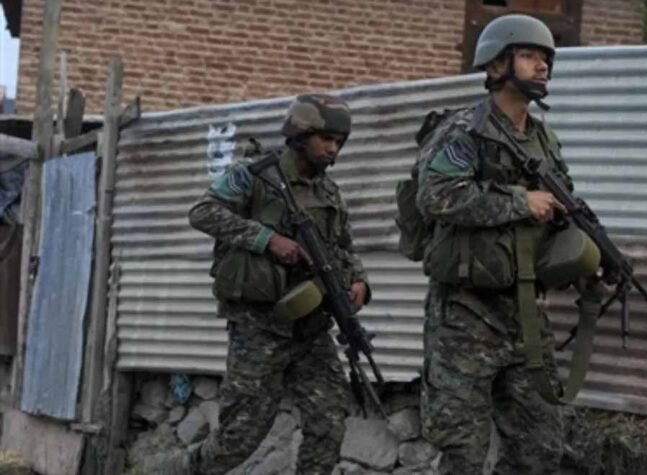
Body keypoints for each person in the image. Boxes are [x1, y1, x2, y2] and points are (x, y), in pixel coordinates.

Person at [416, 14, 603, 474]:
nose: (542, 66)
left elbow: (558, 213)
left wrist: (581, 265)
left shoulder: (544, 139)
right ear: (497, 64)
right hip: (465, 316)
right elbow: (435, 197)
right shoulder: (464, 130)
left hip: (525, 315)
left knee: (539, 450)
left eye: (546, 58)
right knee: (462, 453)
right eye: (529, 55)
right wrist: (519, 201)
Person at [153, 93, 371, 475]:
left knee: (329, 420)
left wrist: (359, 282)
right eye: (326, 139)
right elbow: (202, 212)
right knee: (240, 436)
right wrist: (266, 239)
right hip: (259, 328)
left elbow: (343, 247)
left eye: (339, 142)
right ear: (300, 134)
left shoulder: (328, 193)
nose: (333, 149)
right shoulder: (255, 175)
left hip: (311, 329)